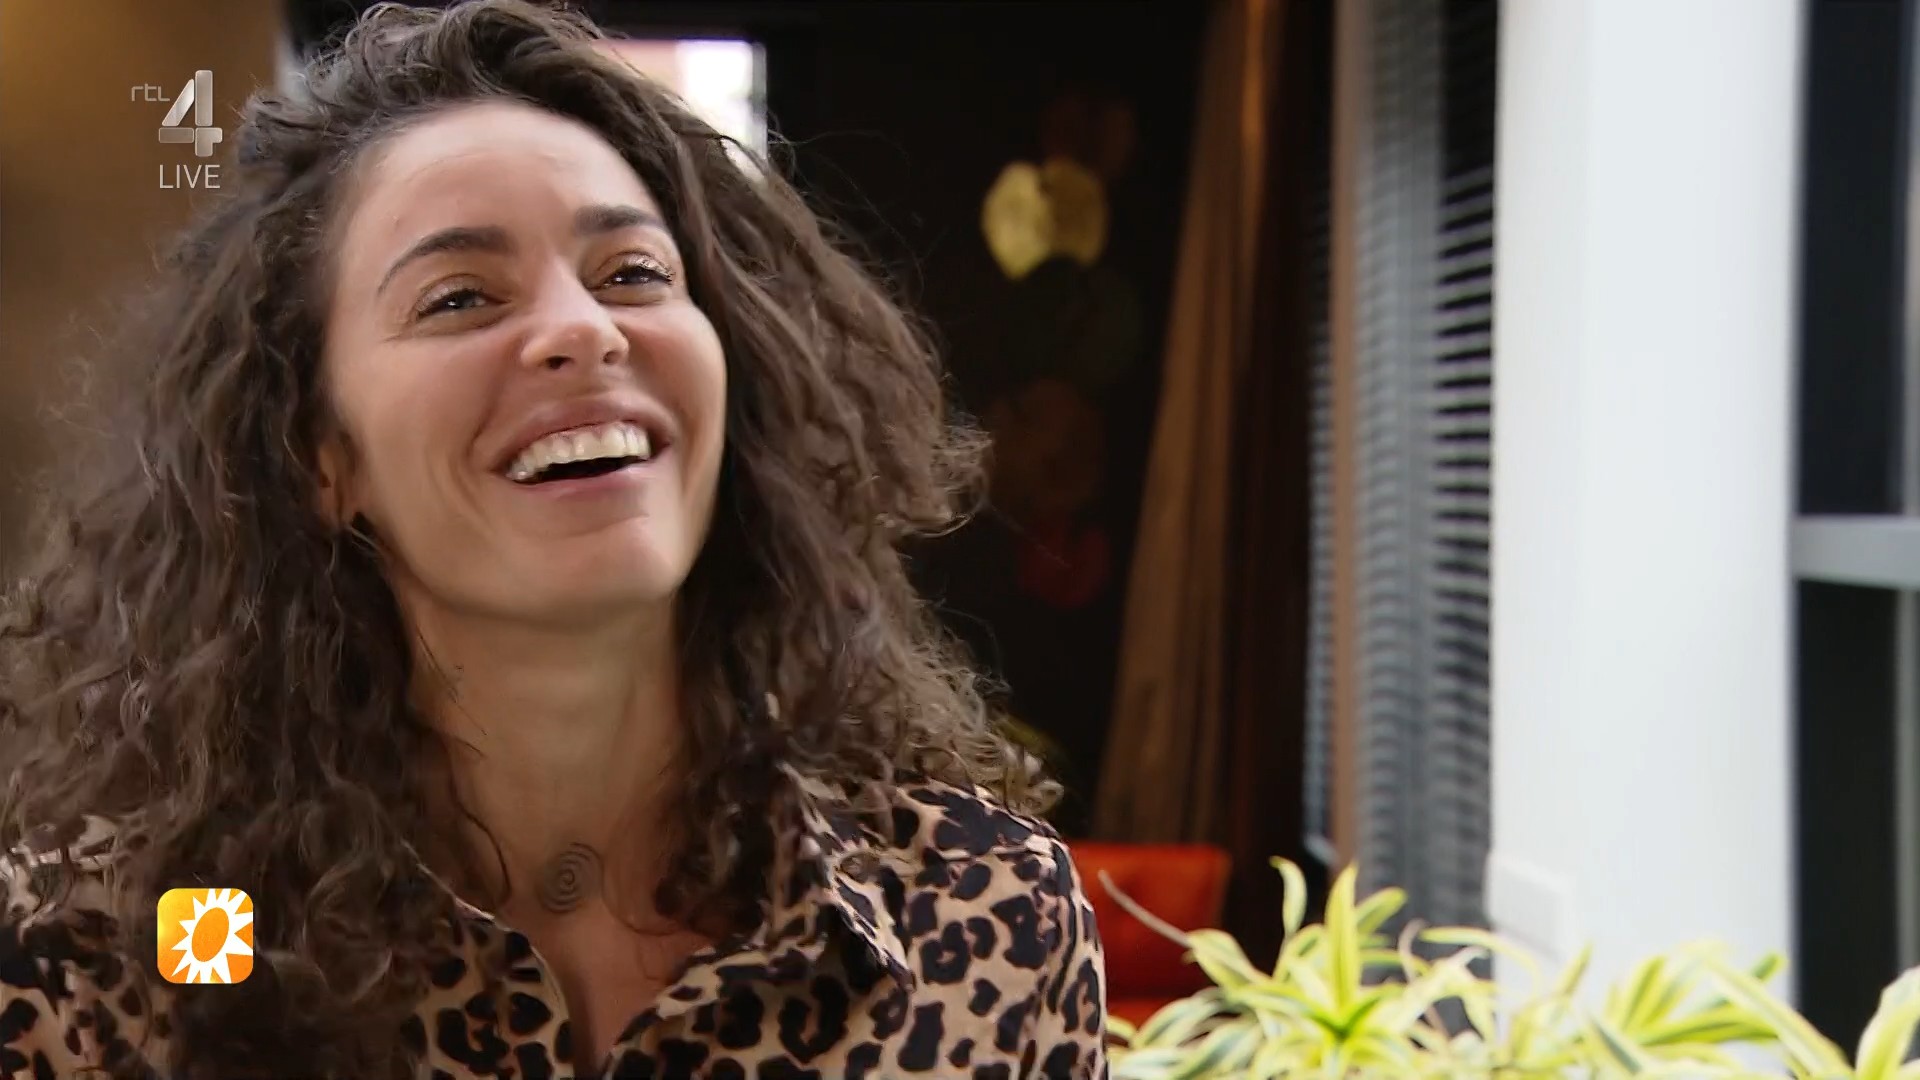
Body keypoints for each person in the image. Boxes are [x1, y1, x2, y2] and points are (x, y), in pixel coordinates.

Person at [0, 2, 1107, 1076]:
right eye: (458, 298)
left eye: (634, 274)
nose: (583, 328)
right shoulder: (116, 959)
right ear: (321, 458)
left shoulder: (985, 918)